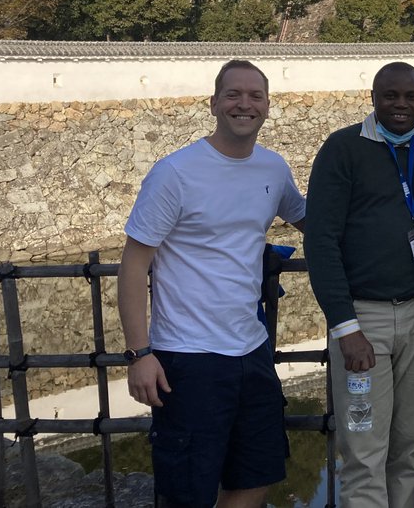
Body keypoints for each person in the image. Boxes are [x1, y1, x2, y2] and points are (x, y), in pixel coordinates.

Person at [117, 60, 307, 508]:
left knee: (258, 474)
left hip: (250, 347)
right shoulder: (176, 173)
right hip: (188, 355)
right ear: (214, 104)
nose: (244, 104)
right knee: (188, 488)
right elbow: (133, 265)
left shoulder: (272, 169)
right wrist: (139, 354)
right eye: (233, 95)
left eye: (255, 96)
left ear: (267, 106)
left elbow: (310, 221)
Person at [305, 62, 414, 508]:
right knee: (363, 454)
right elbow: (321, 240)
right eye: (391, 96)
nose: (401, 105)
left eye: (411, 96)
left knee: (409, 446)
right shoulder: (343, 149)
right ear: (374, 97)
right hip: (364, 318)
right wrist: (345, 326)